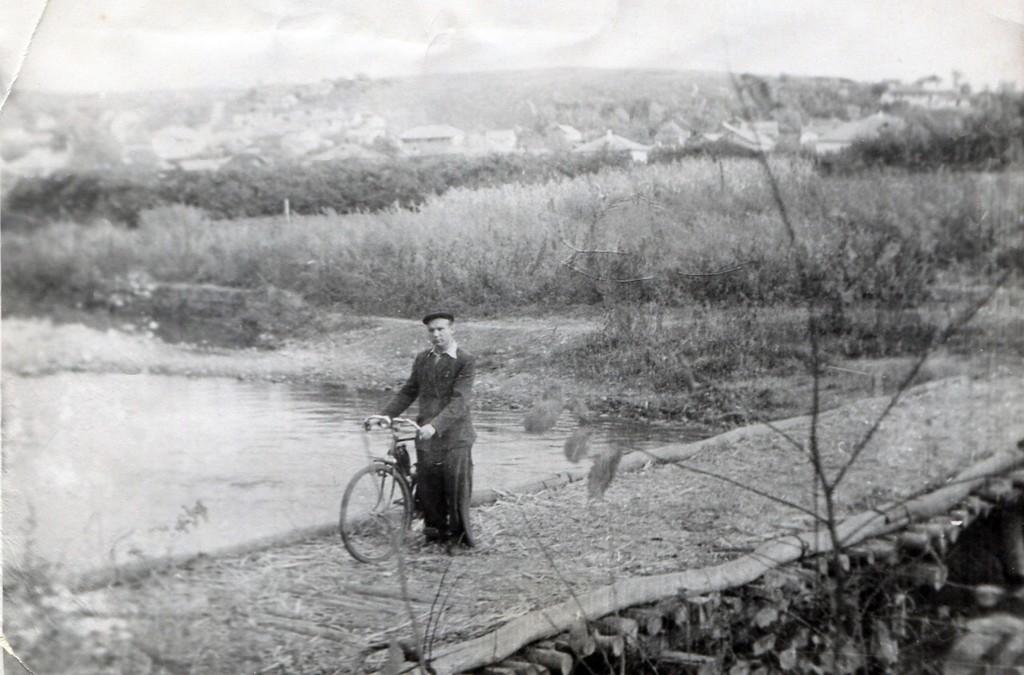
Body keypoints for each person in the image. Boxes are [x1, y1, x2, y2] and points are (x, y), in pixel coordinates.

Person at [375, 310, 476, 551]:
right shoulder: (423, 359)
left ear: (452, 329)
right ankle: (434, 535)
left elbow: (460, 401)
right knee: (428, 484)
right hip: (426, 434)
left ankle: (459, 539)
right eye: (432, 330)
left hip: (455, 434)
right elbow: (409, 391)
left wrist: (435, 425)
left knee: (455, 486)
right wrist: (385, 415)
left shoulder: (465, 360)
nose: (436, 334)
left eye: (441, 329)